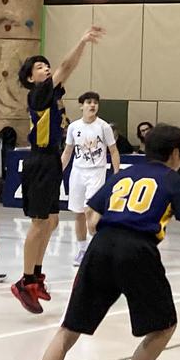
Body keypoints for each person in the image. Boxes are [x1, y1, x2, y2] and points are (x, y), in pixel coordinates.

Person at [31, 125, 180, 360]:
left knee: (68, 329)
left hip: (101, 246)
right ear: (176, 154)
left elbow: (91, 216)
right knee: (165, 326)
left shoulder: (124, 175)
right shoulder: (176, 182)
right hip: (138, 250)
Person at [12, 26, 104, 315]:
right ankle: (24, 282)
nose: (46, 68)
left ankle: (37, 276)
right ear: (31, 78)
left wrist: (81, 50)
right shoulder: (39, 93)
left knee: (51, 222)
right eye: (39, 67)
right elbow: (65, 66)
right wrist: (81, 40)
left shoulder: (51, 93)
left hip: (51, 160)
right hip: (39, 161)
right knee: (39, 223)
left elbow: (67, 69)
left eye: (46, 65)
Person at [61, 91, 120, 267]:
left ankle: (98, 248)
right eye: (88, 102)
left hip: (97, 171)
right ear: (81, 105)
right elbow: (67, 152)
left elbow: (114, 151)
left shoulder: (104, 127)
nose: (92, 105)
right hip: (78, 172)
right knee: (78, 213)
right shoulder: (73, 127)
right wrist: (58, 171)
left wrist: (117, 174)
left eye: (95, 102)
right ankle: (82, 249)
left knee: (90, 210)